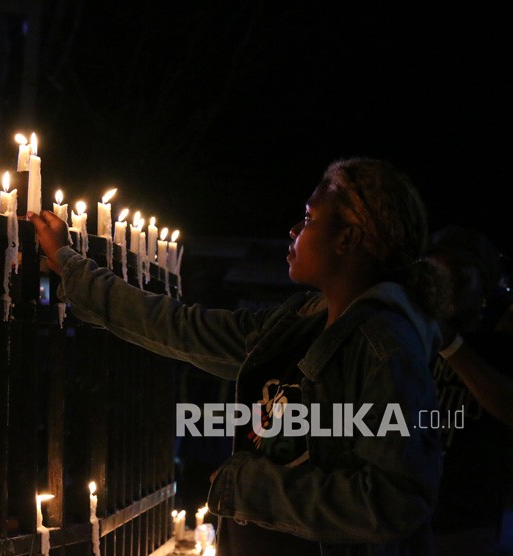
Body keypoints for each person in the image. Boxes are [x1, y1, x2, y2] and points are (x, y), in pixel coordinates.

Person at [28, 157, 449, 555]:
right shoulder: (298, 323)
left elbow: (397, 499)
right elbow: (180, 327)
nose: (292, 230)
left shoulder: (385, 347)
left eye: (308, 219)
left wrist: (249, 487)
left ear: (348, 238)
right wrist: (73, 268)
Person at [426, 226, 513, 555]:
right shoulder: (411, 337)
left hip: (466, 527)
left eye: (460, 278)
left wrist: (452, 344)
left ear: (486, 287)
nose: (445, 288)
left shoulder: (501, 348)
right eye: (436, 275)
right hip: (399, 520)